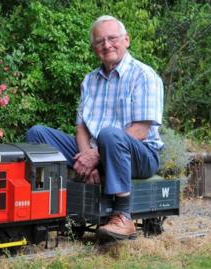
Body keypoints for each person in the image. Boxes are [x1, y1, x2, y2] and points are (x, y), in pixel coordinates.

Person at [26, 15, 164, 240]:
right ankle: (49, 206)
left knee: (109, 134)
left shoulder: (145, 76)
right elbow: (81, 127)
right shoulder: (90, 80)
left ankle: (123, 216)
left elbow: (140, 131)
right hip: (95, 151)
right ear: (93, 48)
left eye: (112, 38)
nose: (107, 45)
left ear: (126, 40)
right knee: (37, 133)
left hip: (140, 155)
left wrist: (96, 157)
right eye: (100, 41)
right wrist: (87, 157)